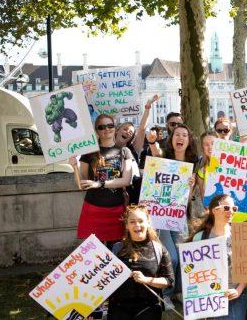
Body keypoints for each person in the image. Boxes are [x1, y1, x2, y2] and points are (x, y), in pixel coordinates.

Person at [146, 123, 198, 310]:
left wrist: (191, 186)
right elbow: (155, 153)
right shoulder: (164, 159)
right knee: (171, 257)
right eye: (177, 134)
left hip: (180, 215)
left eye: (185, 135)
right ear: (172, 138)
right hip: (159, 216)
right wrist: (152, 142)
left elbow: (189, 197)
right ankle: (165, 294)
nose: (180, 138)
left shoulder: (194, 162)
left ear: (189, 140)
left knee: (184, 256)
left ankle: (180, 291)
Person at [73, 114, 133, 244]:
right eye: (102, 127)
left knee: (117, 252)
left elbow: (126, 180)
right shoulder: (88, 152)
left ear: (115, 128)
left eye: (110, 125)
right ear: (97, 131)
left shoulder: (125, 151)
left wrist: (98, 183)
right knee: (95, 254)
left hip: (117, 210)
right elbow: (81, 184)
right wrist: (73, 165)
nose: (107, 129)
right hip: (93, 210)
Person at [108, 205, 174, 320]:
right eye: (132, 222)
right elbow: (103, 279)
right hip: (118, 307)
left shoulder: (159, 249)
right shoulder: (116, 249)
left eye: (140, 221)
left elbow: (169, 281)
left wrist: (145, 280)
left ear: (148, 222)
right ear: (127, 225)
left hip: (149, 307)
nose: (137, 225)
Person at [188, 194, 247, 320]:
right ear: (214, 211)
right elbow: (193, 272)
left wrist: (239, 290)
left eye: (234, 208)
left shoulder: (241, 236)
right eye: (227, 208)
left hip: (234, 295)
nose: (231, 211)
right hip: (207, 298)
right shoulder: (199, 238)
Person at [115, 94, 160, 204]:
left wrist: (148, 106)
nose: (128, 132)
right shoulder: (106, 148)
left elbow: (141, 130)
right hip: (113, 195)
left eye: (130, 132)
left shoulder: (132, 149)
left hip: (134, 195)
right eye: (125, 129)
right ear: (116, 130)